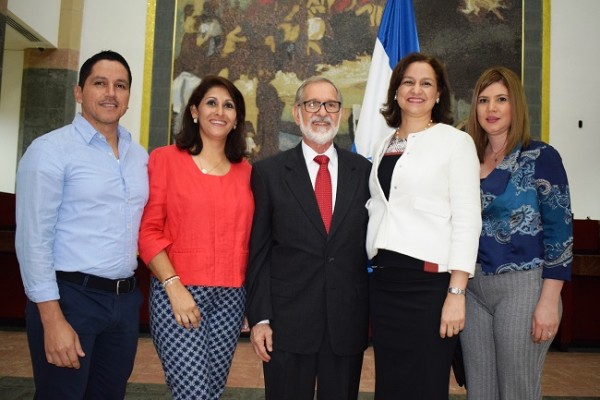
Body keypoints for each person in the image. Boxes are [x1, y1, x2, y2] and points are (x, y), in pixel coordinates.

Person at [15, 50, 149, 399]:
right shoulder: (49, 151)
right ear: (79, 92)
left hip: (123, 303)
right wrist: (52, 318)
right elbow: (33, 241)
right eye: (99, 83)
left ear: (129, 97)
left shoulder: (140, 156)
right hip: (71, 299)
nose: (111, 93)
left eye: (120, 85)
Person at [245, 76, 371, 400]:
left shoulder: (365, 172)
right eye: (312, 104)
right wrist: (260, 318)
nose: (321, 112)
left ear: (340, 114)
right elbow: (258, 253)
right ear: (297, 111)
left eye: (330, 104)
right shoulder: (268, 173)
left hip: (346, 325)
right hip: (287, 328)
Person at [365, 52, 482, 399]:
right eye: (408, 81)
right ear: (396, 90)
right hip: (385, 284)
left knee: (426, 385)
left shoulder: (455, 142)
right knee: (390, 384)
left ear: (439, 93)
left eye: (426, 83)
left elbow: (467, 218)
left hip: (430, 287)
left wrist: (456, 293)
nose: (416, 90)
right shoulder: (382, 144)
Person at [138, 75, 253, 399]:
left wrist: (249, 301)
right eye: (211, 103)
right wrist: (173, 287)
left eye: (229, 105)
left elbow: (248, 241)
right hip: (179, 294)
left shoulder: (246, 172)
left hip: (231, 300)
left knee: (211, 392)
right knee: (194, 395)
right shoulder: (165, 159)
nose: (220, 111)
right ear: (193, 111)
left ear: (236, 119)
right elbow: (148, 232)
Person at [461, 66, 573, 399]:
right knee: (480, 392)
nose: (491, 109)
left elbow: (560, 233)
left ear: (516, 106)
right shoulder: (464, 158)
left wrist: (549, 302)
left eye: (501, 100)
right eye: (483, 100)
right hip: (472, 289)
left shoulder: (541, 157)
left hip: (523, 287)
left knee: (517, 391)